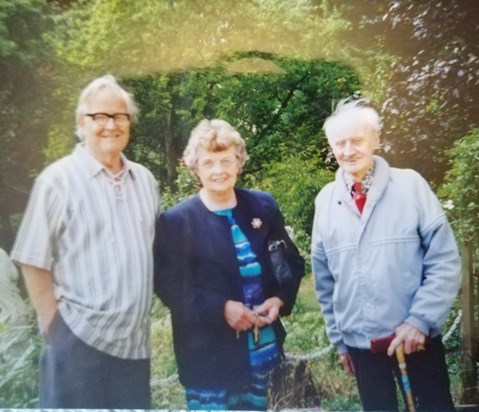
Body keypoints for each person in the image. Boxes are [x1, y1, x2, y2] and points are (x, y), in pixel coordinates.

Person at [10, 75, 160, 409]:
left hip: (134, 347)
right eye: (99, 117)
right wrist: (58, 330)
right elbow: (33, 261)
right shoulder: (57, 181)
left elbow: (146, 249)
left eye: (120, 116)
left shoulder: (145, 181)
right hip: (77, 342)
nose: (111, 125)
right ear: (81, 122)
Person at [311, 99, 461, 411]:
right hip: (361, 344)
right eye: (340, 143)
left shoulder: (410, 185)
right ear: (331, 146)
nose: (348, 150)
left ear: (375, 140)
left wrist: (419, 321)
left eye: (357, 140)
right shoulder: (326, 200)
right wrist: (340, 341)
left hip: (417, 338)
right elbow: (325, 281)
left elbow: (444, 260)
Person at [154, 119, 305, 410]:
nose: (219, 170)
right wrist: (221, 308)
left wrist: (279, 298)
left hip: (262, 350)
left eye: (226, 160)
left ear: (239, 163)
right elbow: (168, 286)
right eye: (208, 162)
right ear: (196, 168)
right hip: (209, 357)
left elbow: (292, 262)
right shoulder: (176, 221)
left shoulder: (262, 206)